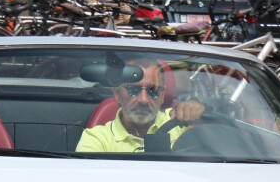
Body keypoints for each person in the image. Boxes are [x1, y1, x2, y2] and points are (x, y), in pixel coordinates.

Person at [76, 59, 206, 153]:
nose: (143, 100)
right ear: (117, 94)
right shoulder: (97, 139)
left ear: (162, 95)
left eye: (152, 90)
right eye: (133, 90)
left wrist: (199, 113)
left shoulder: (181, 122)